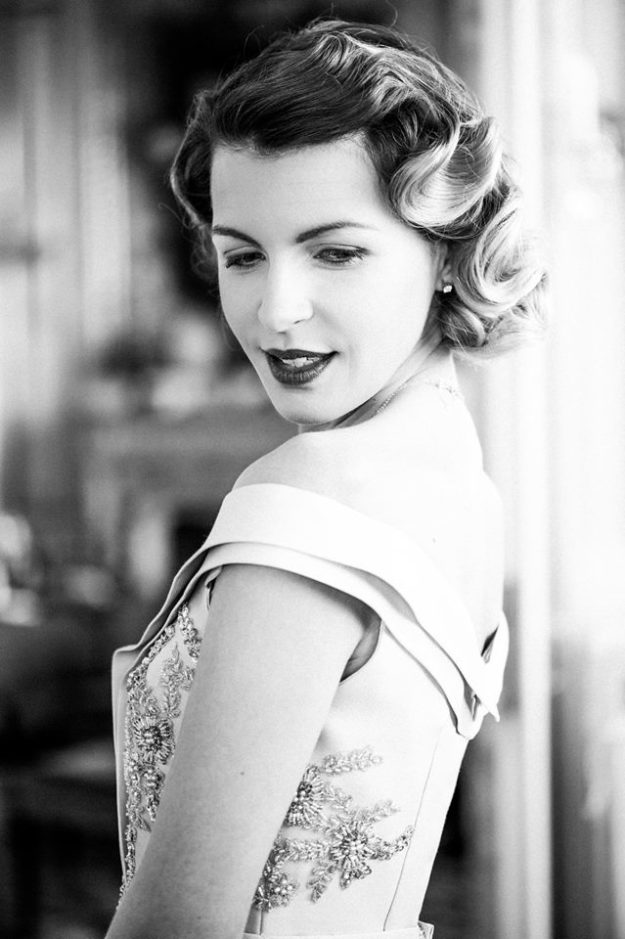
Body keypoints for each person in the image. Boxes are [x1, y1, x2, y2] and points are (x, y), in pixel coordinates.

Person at [105, 18, 545, 939]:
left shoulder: (307, 494)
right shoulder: (462, 482)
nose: (276, 311)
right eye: (242, 255)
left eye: (335, 251)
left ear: (446, 250)